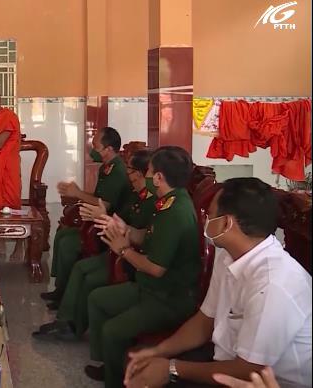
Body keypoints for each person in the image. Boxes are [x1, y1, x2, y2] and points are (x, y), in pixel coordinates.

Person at [124, 178, 312, 388]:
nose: (205, 219)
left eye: (210, 214)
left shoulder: (273, 284)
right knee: (143, 368)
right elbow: (205, 320)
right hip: (225, 359)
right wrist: (158, 352)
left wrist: (171, 368)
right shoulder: (228, 255)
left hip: (264, 381)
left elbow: (249, 370)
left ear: (226, 223)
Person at [85, 146, 201, 388]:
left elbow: (156, 268)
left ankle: (117, 381)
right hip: (150, 288)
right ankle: (110, 365)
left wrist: (123, 250)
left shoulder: (174, 212)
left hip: (168, 298)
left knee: (112, 330)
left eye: (148, 171)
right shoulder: (168, 201)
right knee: (97, 299)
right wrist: (124, 229)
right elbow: (146, 236)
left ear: (158, 177)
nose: (145, 176)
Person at [33, 149, 155, 341]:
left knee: (90, 277)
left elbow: (140, 236)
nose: (127, 174)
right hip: (116, 249)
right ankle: (66, 319)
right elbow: (120, 219)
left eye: (130, 170)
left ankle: (74, 325)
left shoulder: (153, 201)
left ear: (140, 174)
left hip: (128, 257)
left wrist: (105, 218)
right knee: (81, 267)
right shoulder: (135, 195)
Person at [41, 127, 131, 304]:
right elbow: (98, 196)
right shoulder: (106, 167)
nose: (92, 150)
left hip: (107, 229)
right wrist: (77, 193)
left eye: (96, 147)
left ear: (109, 149)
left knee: (68, 244)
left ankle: (65, 295)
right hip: (95, 221)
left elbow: (103, 204)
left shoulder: (117, 171)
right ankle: (61, 288)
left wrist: (78, 194)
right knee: (62, 235)